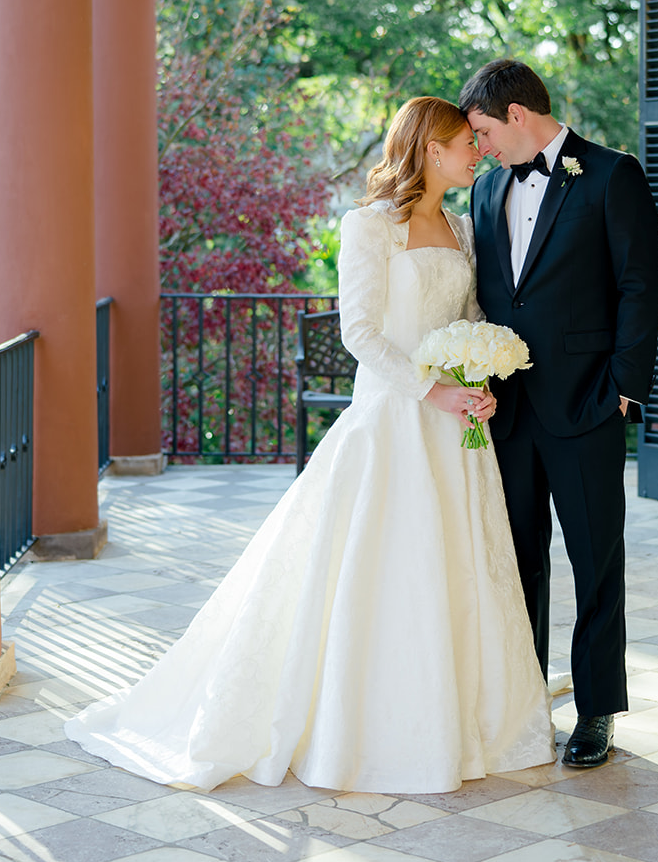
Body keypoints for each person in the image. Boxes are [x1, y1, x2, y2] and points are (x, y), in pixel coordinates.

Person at [65, 97, 554, 795]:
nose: (475, 152)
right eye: (462, 143)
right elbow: (359, 332)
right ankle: (371, 731)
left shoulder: (461, 227)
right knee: (382, 569)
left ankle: (471, 722)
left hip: (455, 433)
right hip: (393, 422)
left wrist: (477, 379)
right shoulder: (368, 227)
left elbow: (468, 317)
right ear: (429, 149)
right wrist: (429, 392)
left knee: (458, 567)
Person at [460, 59, 658, 770]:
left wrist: (623, 388)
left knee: (593, 563)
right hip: (507, 411)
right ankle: (521, 704)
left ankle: (597, 711)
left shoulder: (611, 174)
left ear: (516, 115)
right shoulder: (486, 193)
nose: (478, 147)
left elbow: (641, 285)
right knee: (517, 563)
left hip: (587, 404)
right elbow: (489, 297)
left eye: (483, 131)